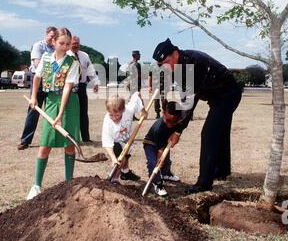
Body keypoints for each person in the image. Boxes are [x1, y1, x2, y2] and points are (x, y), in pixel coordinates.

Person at [152, 38, 242, 194]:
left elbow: (189, 103)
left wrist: (178, 131)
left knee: (209, 133)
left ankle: (204, 183)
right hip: (216, 96)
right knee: (220, 131)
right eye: (162, 65)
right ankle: (221, 170)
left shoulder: (193, 64)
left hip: (228, 94)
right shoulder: (179, 66)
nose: (165, 67)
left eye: (166, 62)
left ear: (175, 54)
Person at [26, 28, 80, 200]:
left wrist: (61, 113)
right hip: (50, 102)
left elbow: (67, 88)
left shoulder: (73, 62)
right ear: (53, 42)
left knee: (69, 143)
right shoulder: (46, 58)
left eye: (67, 44)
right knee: (45, 143)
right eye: (61, 43)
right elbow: (37, 77)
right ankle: (36, 185)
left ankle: (69, 183)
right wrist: (34, 97)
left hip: (69, 104)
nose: (64, 47)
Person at [17, 26, 57, 150]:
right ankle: (25, 140)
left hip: (52, 81)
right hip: (39, 80)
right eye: (51, 36)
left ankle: (54, 139)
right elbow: (37, 63)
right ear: (46, 34)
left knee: (53, 110)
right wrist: (55, 68)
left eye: (55, 37)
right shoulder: (38, 46)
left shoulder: (56, 49)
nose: (52, 39)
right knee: (34, 110)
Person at [102, 92, 147, 182]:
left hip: (126, 139)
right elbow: (107, 141)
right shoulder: (107, 121)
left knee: (126, 155)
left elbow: (137, 95)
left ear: (123, 110)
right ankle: (114, 179)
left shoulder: (129, 109)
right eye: (111, 115)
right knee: (120, 159)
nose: (114, 118)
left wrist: (143, 111)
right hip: (115, 143)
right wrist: (114, 159)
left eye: (117, 115)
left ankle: (125, 173)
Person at [143, 100, 181, 196]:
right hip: (151, 144)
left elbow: (177, 133)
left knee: (167, 160)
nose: (170, 125)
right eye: (168, 121)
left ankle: (166, 173)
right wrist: (160, 159)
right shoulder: (158, 127)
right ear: (163, 113)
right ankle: (157, 183)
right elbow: (160, 151)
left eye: (174, 122)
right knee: (154, 163)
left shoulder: (179, 121)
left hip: (163, 143)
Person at [68, 36, 99, 143]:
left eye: (77, 43)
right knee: (70, 113)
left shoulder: (84, 55)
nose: (76, 45)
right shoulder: (65, 55)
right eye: (74, 43)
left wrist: (95, 82)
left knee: (83, 113)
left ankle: (86, 138)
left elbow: (90, 70)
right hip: (69, 87)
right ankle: (70, 138)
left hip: (81, 87)